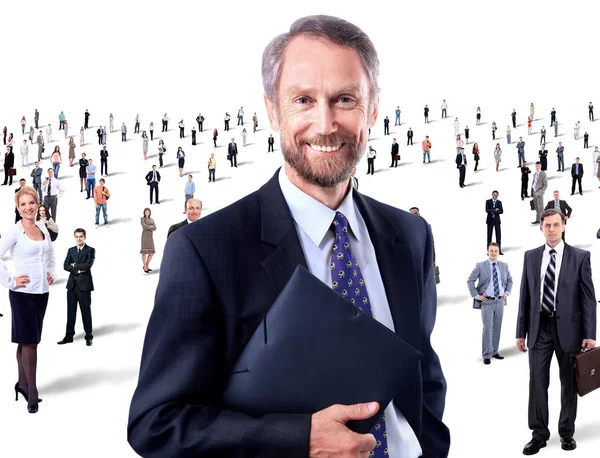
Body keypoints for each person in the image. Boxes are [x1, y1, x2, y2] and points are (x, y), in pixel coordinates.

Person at [128, 15, 449, 458]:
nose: (324, 123)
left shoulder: (411, 236)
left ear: (373, 109)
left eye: (344, 99)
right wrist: (299, 441)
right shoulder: (204, 251)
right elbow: (156, 424)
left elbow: (424, 379)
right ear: (272, 110)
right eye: (303, 99)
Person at [516, 209, 597, 455]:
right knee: (537, 384)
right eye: (547, 225)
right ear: (541, 228)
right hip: (538, 329)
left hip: (570, 330)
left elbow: (588, 298)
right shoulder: (530, 257)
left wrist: (590, 333)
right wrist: (521, 331)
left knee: (569, 384)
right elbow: (525, 297)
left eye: (555, 225)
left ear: (563, 226)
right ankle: (539, 434)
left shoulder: (580, 257)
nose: (551, 229)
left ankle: (566, 433)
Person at [0, 186, 56, 414]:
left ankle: (22, 383)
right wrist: (11, 281)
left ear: (37, 203)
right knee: (31, 342)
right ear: (18, 208)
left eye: (31, 203)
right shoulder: (15, 231)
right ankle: (32, 392)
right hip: (22, 294)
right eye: (22, 204)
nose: (27, 208)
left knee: (26, 340)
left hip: (41, 292)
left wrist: (51, 271)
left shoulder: (43, 227)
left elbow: (50, 255)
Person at [467, 242, 513, 364]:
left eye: (495, 251)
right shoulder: (480, 266)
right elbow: (470, 281)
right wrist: (477, 295)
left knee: (497, 328)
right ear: (488, 251)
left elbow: (509, 280)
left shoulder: (504, 265)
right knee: (487, 328)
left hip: (500, 301)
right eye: (491, 251)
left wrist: (507, 292)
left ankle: (494, 351)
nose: (493, 253)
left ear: (498, 252)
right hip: (487, 302)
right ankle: (486, 355)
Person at [57, 228, 95, 347]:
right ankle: (69, 337)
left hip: (84, 286)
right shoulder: (71, 250)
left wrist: (74, 265)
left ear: (84, 237)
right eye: (77, 236)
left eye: (81, 236)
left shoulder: (90, 250)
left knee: (86, 312)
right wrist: (79, 268)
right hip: (72, 286)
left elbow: (88, 265)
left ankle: (88, 336)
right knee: (71, 312)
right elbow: (65, 265)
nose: (79, 239)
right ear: (74, 237)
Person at [140, 208, 156, 273]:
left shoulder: (152, 219)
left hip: (150, 236)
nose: (147, 212)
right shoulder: (142, 219)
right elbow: (144, 226)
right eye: (146, 211)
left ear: (150, 212)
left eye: (148, 211)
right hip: (145, 236)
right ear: (144, 212)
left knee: (152, 252)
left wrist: (149, 227)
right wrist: (151, 227)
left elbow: (155, 227)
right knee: (144, 252)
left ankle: (146, 265)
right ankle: (145, 267)